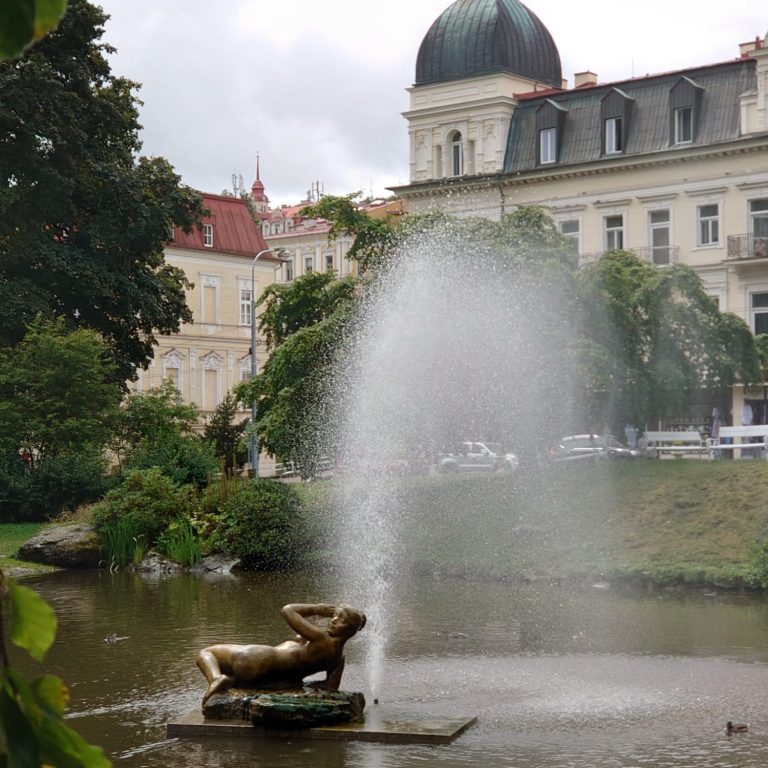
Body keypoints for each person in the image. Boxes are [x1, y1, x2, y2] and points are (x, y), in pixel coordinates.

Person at [196, 603, 366, 701]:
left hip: (258, 658)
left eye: (341, 620)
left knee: (206, 652)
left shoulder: (322, 640)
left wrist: (317, 609)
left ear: (349, 631)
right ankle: (234, 682)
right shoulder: (338, 658)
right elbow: (330, 688)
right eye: (334, 615)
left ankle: (216, 679)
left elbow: (288, 610)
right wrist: (301, 687)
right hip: (268, 679)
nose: (334, 620)